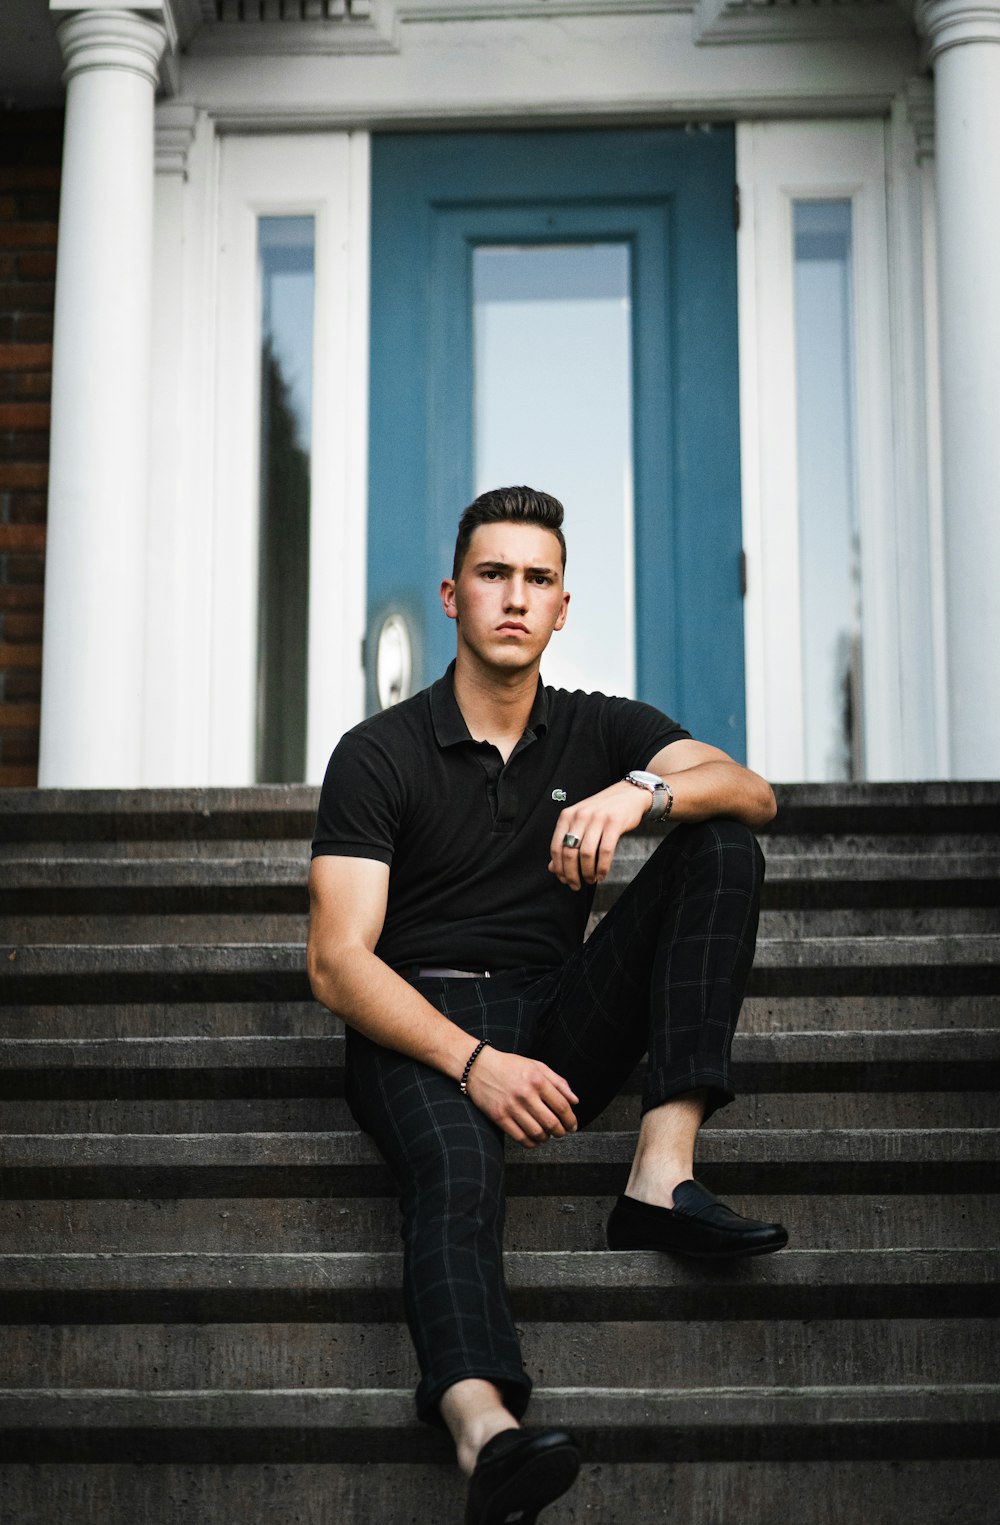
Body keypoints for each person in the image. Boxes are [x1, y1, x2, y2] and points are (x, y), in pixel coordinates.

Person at [307, 486, 786, 1524]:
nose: (513, 598)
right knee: (457, 1169)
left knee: (720, 842)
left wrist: (644, 792)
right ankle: (486, 1430)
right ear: (451, 595)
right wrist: (474, 1064)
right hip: (417, 1022)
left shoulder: (597, 728)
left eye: (536, 579)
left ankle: (662, 1174)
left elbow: (752, 793)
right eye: (492, 575)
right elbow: (338, 964)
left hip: (555, 1012)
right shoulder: (378, 752)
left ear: (563, 606)